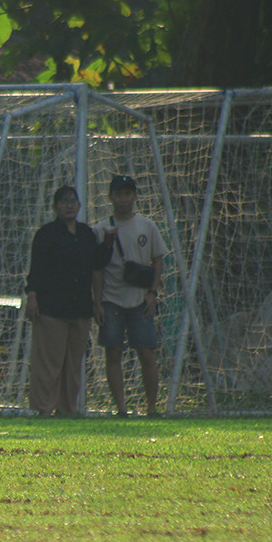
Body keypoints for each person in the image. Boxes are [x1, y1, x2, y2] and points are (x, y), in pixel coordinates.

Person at [25, 185, 113, 417]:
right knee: (49, 364)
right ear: (54, 207)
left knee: (73, 365)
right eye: (63, 201)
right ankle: (43, 409)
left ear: (80, 206)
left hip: (80, 309)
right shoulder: (46, 234)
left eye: (73, 201)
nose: (69, 205)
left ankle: (67, 409)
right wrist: (32, 296)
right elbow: (36, 269)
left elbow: (97, 266)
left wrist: (108, 243)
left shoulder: (86, 234)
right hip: (51, 308)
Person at [93, 174, 168, 418]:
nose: (123, 199)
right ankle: (121, 409)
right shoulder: (100, 228)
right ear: (110, 197)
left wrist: (152, 293)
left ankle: (152, 407)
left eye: (127, 193)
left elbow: (157, 260)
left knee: (147, 352)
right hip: (111, 299)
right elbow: (97, 269)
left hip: (140, 300)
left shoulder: (147, 225)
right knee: (113, 352)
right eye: (118, 194)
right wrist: (98, 302)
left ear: (135, 196)